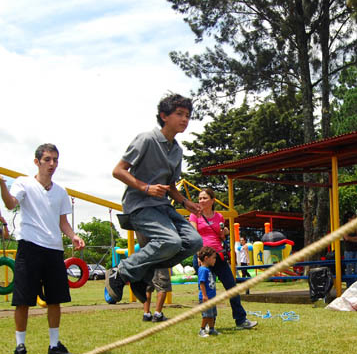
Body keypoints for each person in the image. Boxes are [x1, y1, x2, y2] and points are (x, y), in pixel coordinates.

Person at [0, 144, 85, 354]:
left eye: (55, 160)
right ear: (37, 162)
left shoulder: (61, 192)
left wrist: (73, 236)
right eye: (47, 160)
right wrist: (3, 183)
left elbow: (63, 222)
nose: (52, 164)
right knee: (23, 300)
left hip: (54, 250)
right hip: (29, 247)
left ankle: (54, 345)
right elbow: (11, 203)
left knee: (55, 299)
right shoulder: (24, 183)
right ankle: (20, 347)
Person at [106, 93, 203, 305]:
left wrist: (186, 202)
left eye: (187, 115)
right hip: (140, 206)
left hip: (163, 206)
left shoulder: (177, 150)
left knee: (194, 241)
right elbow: (118, 170)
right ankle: (120, 272)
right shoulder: (146, 139)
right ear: (164, 116)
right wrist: (145, 187)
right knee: (171, 241)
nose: (185, 119)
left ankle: (140, 272)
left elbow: (170, 186)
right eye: (179, 114)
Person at [189, 188, 257, 329]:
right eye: (200, 198)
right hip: (203, 257)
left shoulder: (219, 217)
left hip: (218, 256)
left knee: (232, 287)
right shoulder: (194, 216)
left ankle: (241, 320)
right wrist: (198, 255)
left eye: (205, 198)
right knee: (207, 290)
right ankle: (208, 324)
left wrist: (224, 231)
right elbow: (193, 236)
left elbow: (221, 234)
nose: (201, 201)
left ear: (212, 200)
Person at [197, 246, 219, 337]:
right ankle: (201, 330)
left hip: (211, 298)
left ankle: (211, 329)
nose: (215, 260)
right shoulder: (203, 270)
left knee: (212, 314)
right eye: (213, 258)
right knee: (206, 315)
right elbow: (201, 283)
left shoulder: (208, 269)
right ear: (206, 258)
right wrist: (204, 296)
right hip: (206, 298)